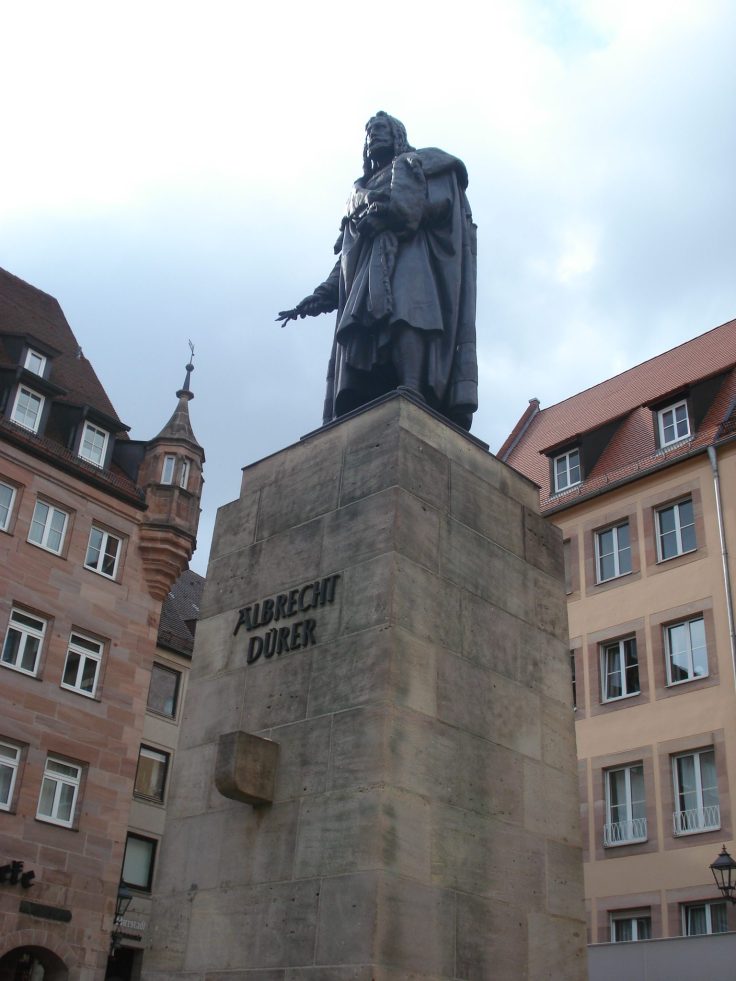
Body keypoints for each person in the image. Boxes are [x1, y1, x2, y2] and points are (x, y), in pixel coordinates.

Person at [277, 112, 478, 431]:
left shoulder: (424, 164)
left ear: (398, 134)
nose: (374, 136)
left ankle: (412, 385)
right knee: (362, 330)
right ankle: (367, 396)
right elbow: (346, 255)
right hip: (367, 271)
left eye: (381, 129)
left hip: (412, 255)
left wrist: (391, 215)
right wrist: (319, 297)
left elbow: (441, 206)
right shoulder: (359, 193)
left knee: (409, 313)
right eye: (369, 132)